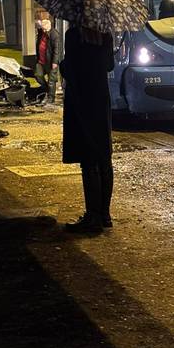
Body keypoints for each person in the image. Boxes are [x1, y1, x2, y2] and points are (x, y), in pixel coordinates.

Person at [59, 25, 115, 235]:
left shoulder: (73, 35)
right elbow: (109, 65)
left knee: (88, 159)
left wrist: (64, 65)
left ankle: (92, 215)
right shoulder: (105, 35)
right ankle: (105, 214)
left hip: (82, 100)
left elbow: (71, 70)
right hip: (101, 99)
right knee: (104, 157)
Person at [35, 19, 60, 104]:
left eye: (45, 29)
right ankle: (47, 91)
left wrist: (55, 62)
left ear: (49, 27)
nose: (44, 31)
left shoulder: (54, 34)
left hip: (51, 61)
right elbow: (38, 27)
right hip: (41, 60)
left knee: (51, 80)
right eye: (42, 29)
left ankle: (50, 98)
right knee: (38, 76)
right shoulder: (42, 32)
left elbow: (57, 50)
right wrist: (39, 24)